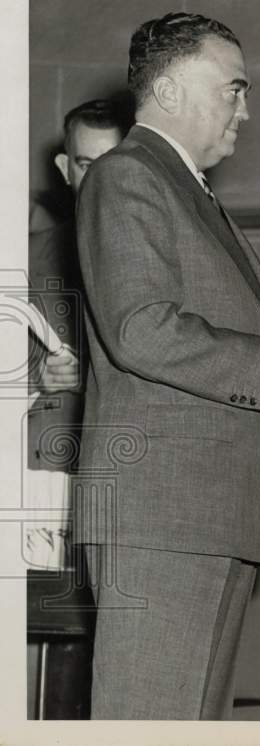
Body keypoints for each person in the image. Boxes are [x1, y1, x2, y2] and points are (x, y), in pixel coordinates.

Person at [73, 12, 260, 720]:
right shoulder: (127, 175)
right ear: (167, 89)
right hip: (164, 518)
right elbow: (141, 329)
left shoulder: (190, 190)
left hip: (208, 517)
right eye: (234, 88)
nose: (246, 110)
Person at [25, 98, 128, 571]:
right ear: (66, 168)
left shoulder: (174, 259)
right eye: (89, 165)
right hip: (45, 479)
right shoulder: (22, 258)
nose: (103, 181)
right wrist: (35, 378)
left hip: (134, 481)